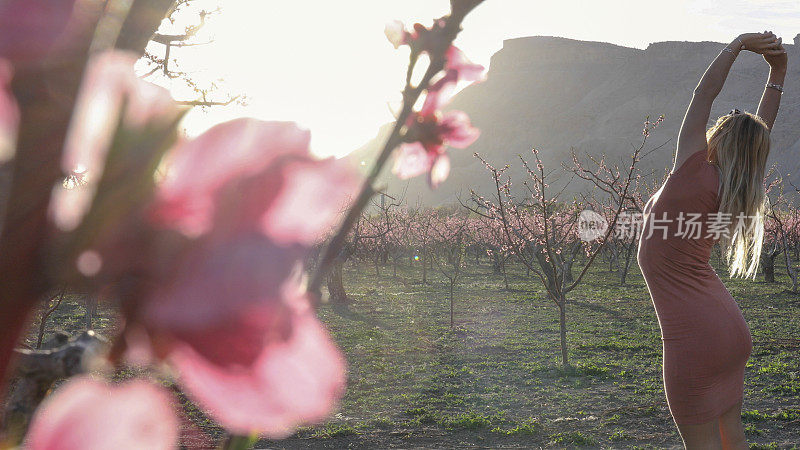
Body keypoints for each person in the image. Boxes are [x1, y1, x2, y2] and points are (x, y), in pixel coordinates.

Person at [637, 31, 787, 449]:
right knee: (729, 435)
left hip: (694, 335)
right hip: (727, 330)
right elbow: (762, 130)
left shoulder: (691, 167)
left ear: (719, 138)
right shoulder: (738, 186)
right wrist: (778, 71)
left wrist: (737, 44)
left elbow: (703, 93)